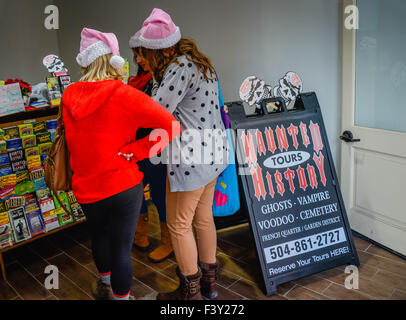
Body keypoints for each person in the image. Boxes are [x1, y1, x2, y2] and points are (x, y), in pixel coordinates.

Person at [62, 27, 180, 300]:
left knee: (100, 237)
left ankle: (104, 281)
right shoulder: (124, 94)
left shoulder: (69, 96)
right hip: (123, 185)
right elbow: (171, 126)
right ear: (113, 60)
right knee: (121, 249)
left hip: (87, 188)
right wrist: (137, 151)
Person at [129, 8, 229, 300]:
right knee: (203, 219)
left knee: (178, 225)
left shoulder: (178, 68)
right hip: (213, 153)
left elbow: (155, 112)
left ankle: (191, 292)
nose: (143, 59)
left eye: (147, 53)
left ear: (161, 51)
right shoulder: (200, 62)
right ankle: (209, 285)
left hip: (191, 160)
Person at [127, 49, 173, 263]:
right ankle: (139, 236)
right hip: (135, 147)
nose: (138, 60)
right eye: (135, 55)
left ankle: (168, 242)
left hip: (157, 147)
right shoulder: (133, 81)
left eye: (142, 54)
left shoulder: (162, 80)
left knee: (159, 195)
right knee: (134, 192)